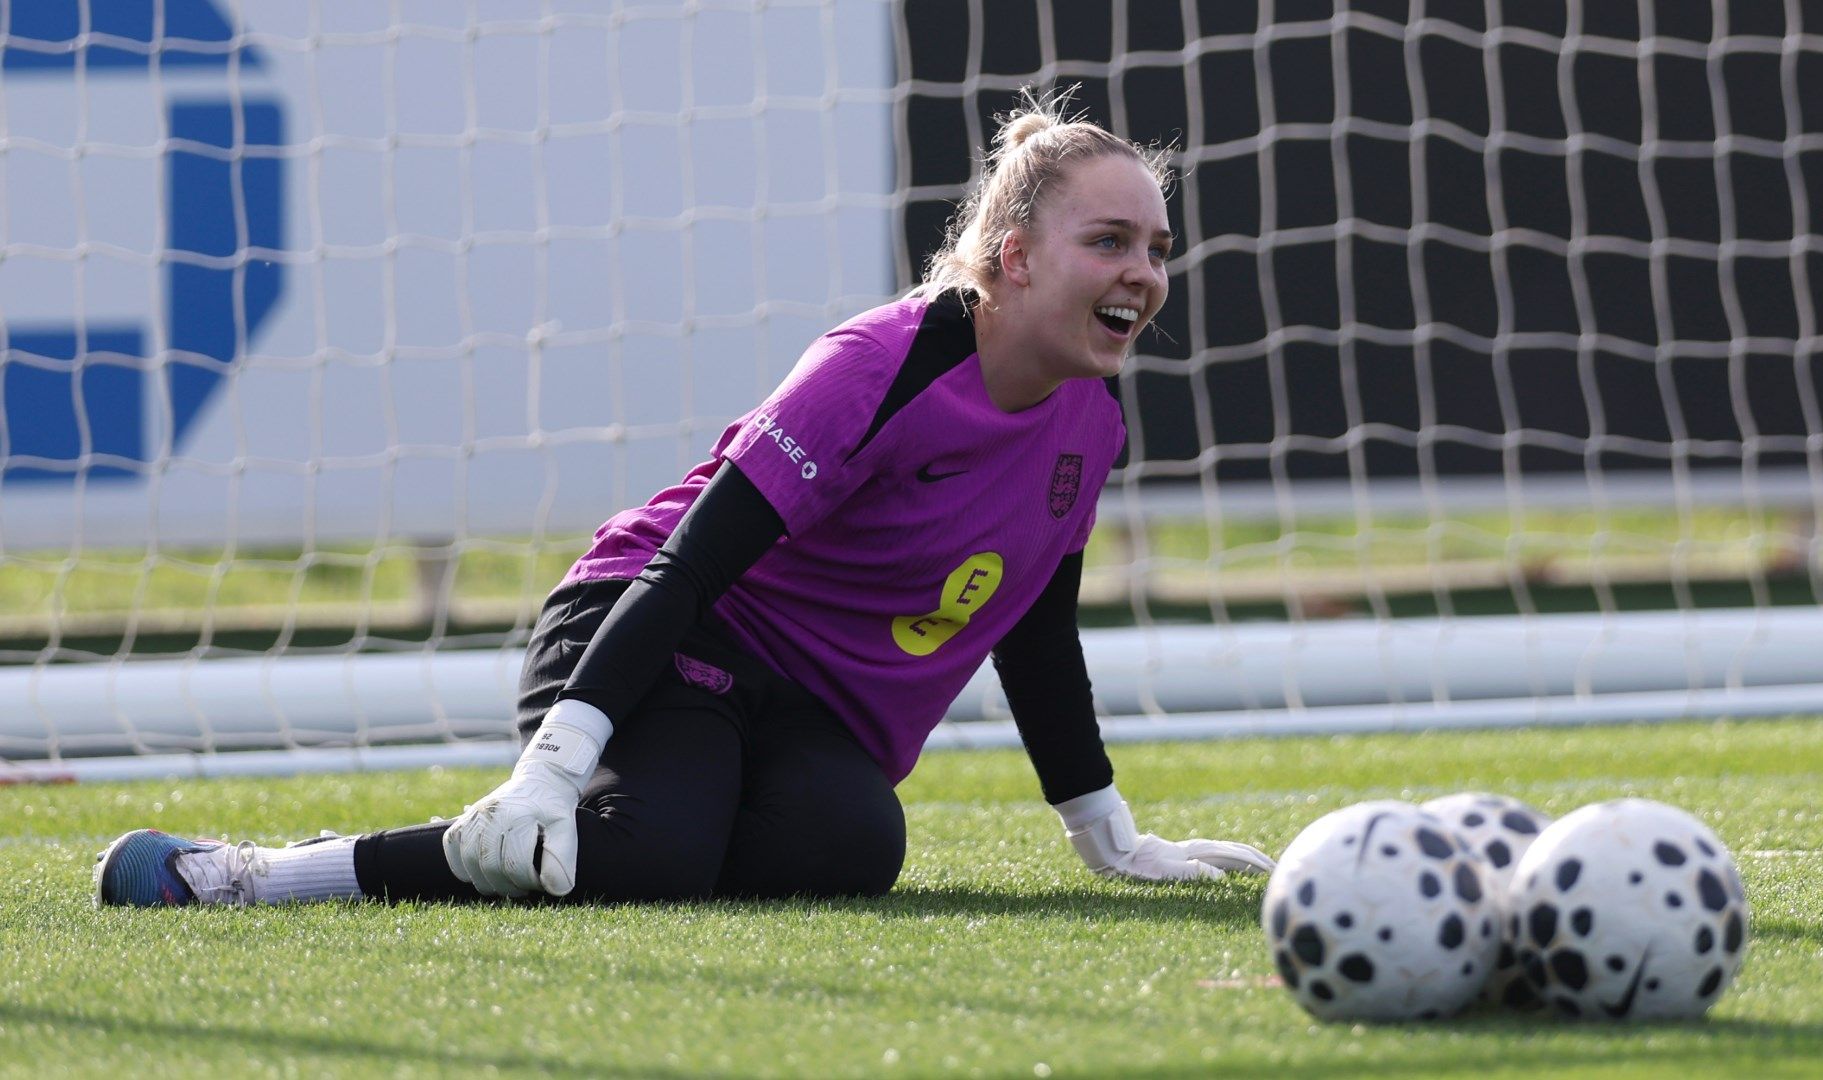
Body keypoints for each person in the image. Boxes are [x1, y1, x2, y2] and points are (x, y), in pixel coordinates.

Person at [94, 89, 1274, 909]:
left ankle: (642, 816)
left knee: (846, 850)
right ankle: (246, 874)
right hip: (653, 632)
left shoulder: (1090, 420)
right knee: (640, 854)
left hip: (802, 702)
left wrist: (1104, 832)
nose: (1144, 275)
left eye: (1158, 248)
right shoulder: (882, 362)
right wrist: (552, 767)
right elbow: (686, 570)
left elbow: (1034, 628)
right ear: (1014, 255)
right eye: (1110, 240)